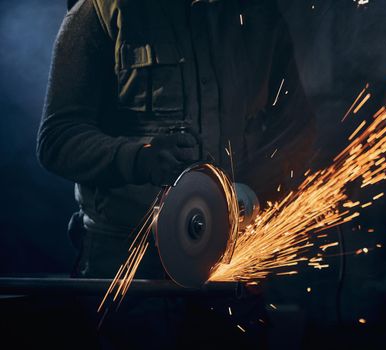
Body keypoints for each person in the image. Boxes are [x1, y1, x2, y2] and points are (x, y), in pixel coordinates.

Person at [37, 0, 315, 348]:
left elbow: (296, 130)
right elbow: (57, 139)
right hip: (128, 275)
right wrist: (138, 158)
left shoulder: (257, 15)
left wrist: (252, 191)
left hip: (229, 267)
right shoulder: (103, 11)